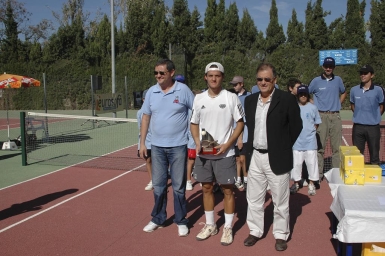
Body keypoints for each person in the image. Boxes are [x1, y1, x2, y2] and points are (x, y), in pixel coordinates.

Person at [243, 63, 302, 251]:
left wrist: (282, 146)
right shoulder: (250, 101)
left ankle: (280, 234)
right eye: (259, 79)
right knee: (253, 198)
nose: (263, 82)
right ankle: (255, 231)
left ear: (274, 80)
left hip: (277, 157)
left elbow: (296, 126)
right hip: (255, 157)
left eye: (267, 79)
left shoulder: (286, 100)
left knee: (280, 201)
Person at [190, 62, 244, 246]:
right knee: (206, 188)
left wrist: (228, 144)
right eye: (210, 75)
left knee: (228, 190)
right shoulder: (198, 99)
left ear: (222, 77)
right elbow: (194, 123)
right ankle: (211, 225)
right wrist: (197, 142)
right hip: (204, 153)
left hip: (225, 154)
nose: (214, 78)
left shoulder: (231, 98)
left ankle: (228, 227)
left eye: (218, 75)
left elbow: (240, 123)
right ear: (205, 77)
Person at [139, 59, 194, 237]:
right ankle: (158, 218)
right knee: (159, 186)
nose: (158, 76)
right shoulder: (151, 92)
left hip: (178, 146)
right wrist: (142, 143)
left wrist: (193, 140)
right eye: (156, 73)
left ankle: (181, 220)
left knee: (178, 186)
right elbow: (146, 117)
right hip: (157, 147)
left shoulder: (183, 90)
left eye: (161, 73)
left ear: (171, 73)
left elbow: (195, 113)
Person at [309, 57, 346, 181]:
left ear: (334, 67)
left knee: (337, 148)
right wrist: (314, 105)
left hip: (335, 116)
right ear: (323, 67)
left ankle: (335, 175)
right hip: (321, 117)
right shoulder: (315, 81)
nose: (328, 68)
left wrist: (339, 104)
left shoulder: (338, 80)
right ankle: (318, 175)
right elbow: (305, 94)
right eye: (326, 66)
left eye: (330, 66)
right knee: (320, 148)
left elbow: (344, 92)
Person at [290, 85, 321, 196]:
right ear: (298, 96)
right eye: (301, 94)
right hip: (297, 143)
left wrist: (311, 132)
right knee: (296, 165)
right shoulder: (294, 108)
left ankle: (312, 184)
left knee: (311, 164)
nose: (303, 96)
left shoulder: (313, 108)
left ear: (308, 95)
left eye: (305, 94)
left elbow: (316, 123)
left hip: (310, 142)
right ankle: (296, 184)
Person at [350, 64, 384, 164]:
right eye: (361, 73)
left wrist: (374, 117)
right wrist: (360, 115)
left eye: (365, 73)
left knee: (374, 155)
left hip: (373, 127)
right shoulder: (354, 90)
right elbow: (353, 106)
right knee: (357, 156)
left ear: (372, 75)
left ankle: (374, 178)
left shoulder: (378, 90)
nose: (363, 75)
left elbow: (382, 106)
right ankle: (358, 178)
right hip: (358, 127)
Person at [229, 75, 251, 190]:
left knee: (243, 158)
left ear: (242, 84)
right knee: (237, 158)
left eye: (236, 84)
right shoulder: (232, 96)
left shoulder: (249, 97)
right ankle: (238, 180)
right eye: (233, 84)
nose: (234, 86)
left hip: (244, 132)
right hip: (233, 132)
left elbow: (243, 121)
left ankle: (246, 180)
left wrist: (240, 138)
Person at [287, 78, 309, 187]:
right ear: (291, 88)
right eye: (297, 87)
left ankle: (297, 178)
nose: (300, 89)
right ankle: (293, 179)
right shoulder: (288, 100)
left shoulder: (298, 100)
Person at [137, 89, 153, 191]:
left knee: (161, 162)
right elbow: (141, 128)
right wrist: (141, 144)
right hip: (147, 142)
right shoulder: (139, 113)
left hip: (158, 141)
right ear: (143, 99)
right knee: (149, 161)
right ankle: (152, 181)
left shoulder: (156, 110)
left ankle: (160, 182)